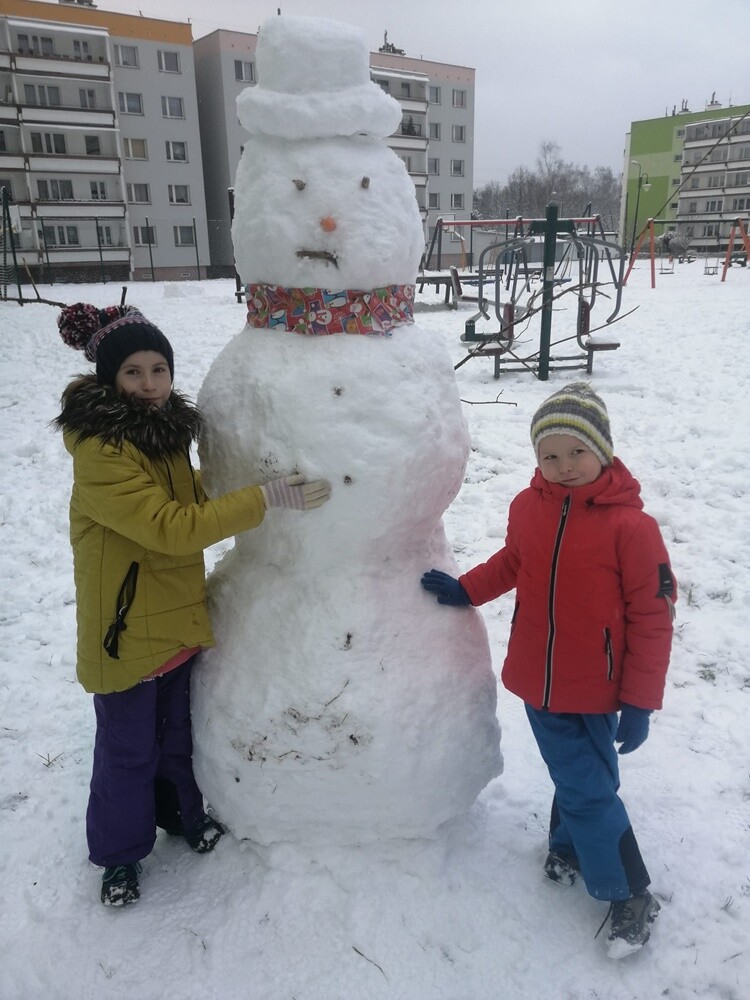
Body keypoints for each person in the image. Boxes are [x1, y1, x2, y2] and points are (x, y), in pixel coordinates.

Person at [54, 302, 330, 907]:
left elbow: (195, 492)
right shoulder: (102, 450)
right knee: (127, 752)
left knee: (175, 737)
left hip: (175, 618)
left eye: (159, 369)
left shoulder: (163, 434)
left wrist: (246, 473)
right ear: (109, 378)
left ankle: (181, 816)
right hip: (124, 632)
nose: (150, 384)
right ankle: (120, 856)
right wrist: (264, 498)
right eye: (133, 372)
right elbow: (169, 526)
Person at [421, 383, 676, 958]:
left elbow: (653, 618)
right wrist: (466, 589)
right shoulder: (527, 506)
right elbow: (515, 562)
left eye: (575, 453)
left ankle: (628, 890)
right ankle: (572, 845)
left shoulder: (633, 530)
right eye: (549, 455)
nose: (562, 467)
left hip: (598, 683)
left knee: (588, 783)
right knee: (585, 779)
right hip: (539, 678)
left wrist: (640, 700)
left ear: (602, 450)